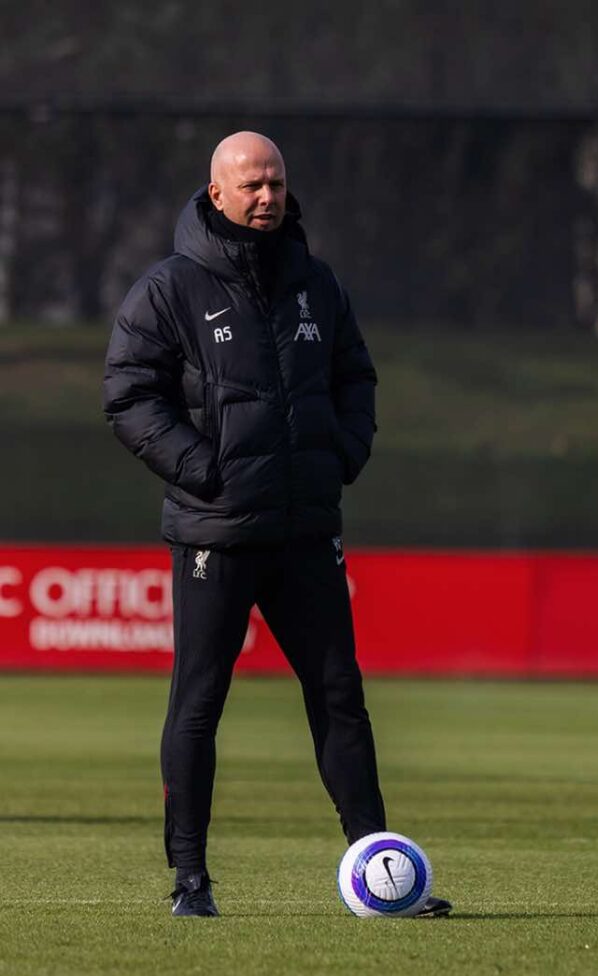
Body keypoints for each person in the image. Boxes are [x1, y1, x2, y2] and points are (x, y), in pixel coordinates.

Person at [103, 131, 451, 918]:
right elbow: (127, 396)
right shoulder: (168, 290)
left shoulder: (316, 285)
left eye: (277, 184)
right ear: (216, 193)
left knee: (339, 697)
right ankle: (190, 882)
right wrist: (205, 470)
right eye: (251, 185)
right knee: (198, 704)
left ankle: (380, 865)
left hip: (305, 530)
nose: (267, 197)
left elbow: (354, 377)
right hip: (215, 535)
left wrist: (343, 455)